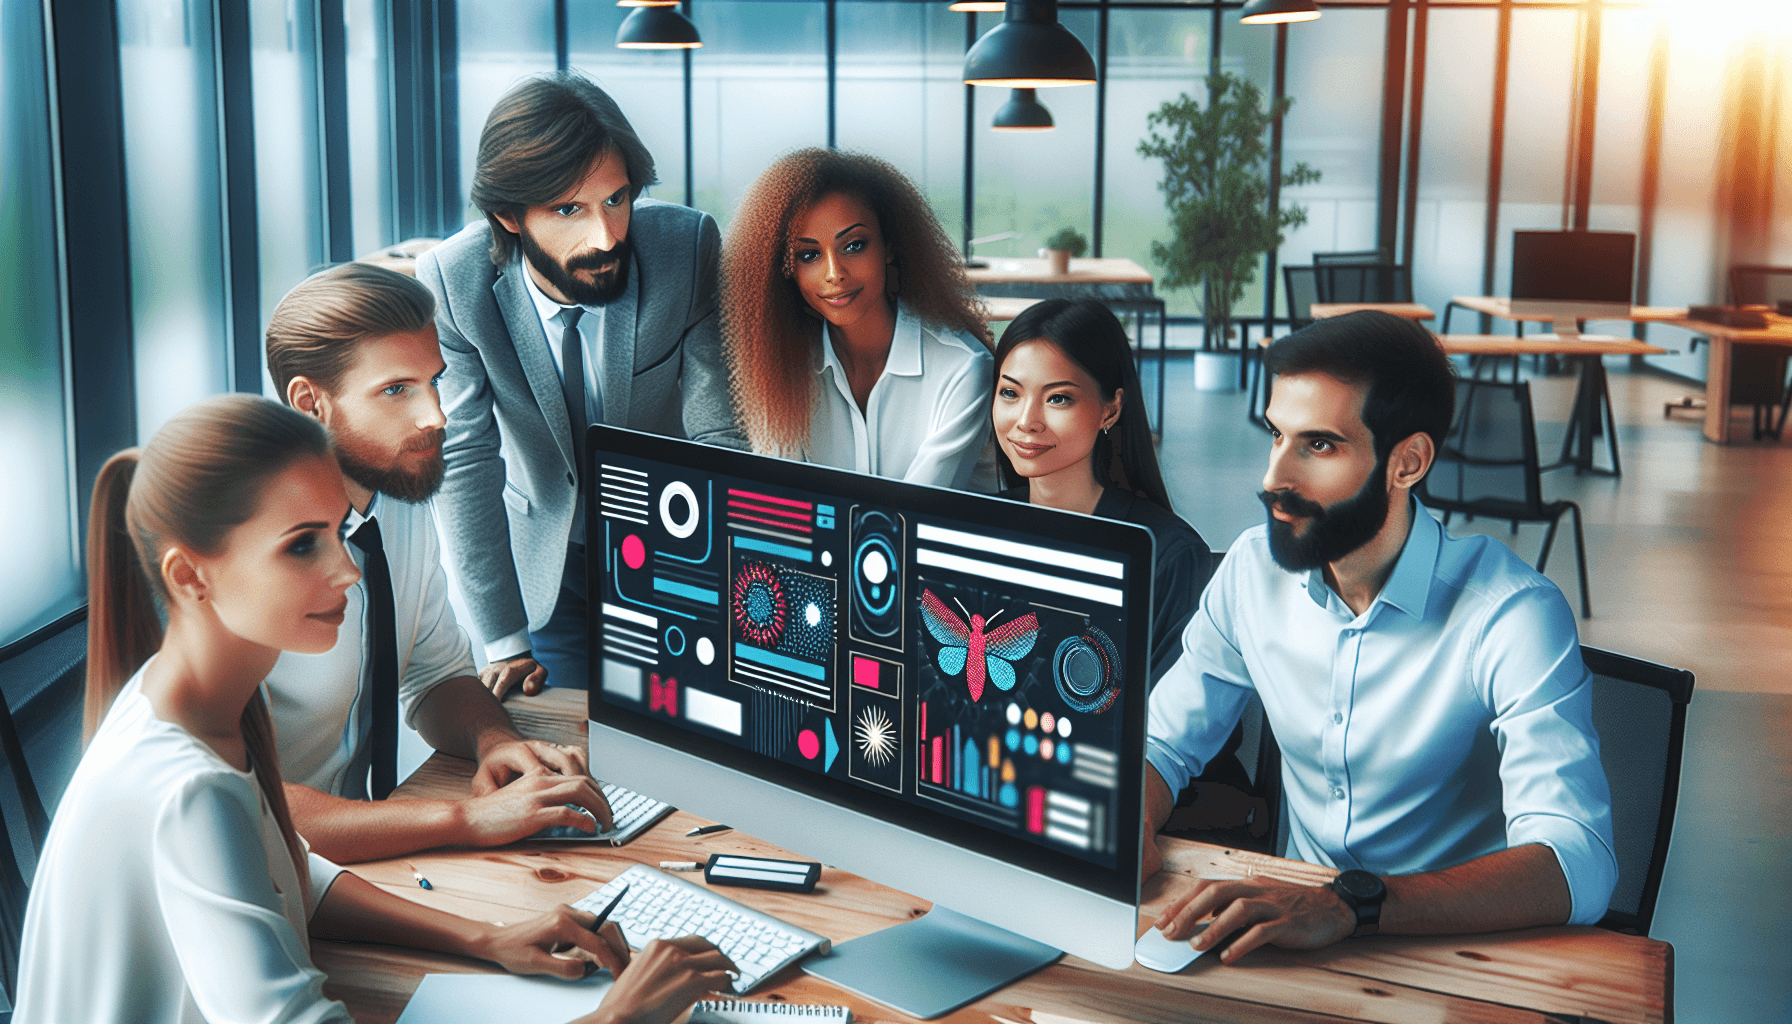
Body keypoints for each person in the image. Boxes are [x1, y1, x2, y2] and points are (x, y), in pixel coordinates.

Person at [14, 394, 733, 1024]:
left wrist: (484, 937)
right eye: (301, 546)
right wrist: (617, 1019)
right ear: (189, 576)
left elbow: (288, 870)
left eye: (335, 531)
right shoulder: (186, 789)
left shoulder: (186, 701)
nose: (348, 571)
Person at [1143, 311, 1616, 964]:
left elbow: (1579, 863)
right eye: (1276, 435)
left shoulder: (1511, 615)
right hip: (1286, 940)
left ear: (1408, 461)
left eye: (1319, 446)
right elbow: (1164, 742)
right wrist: (1132, 817)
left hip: (1452, 953)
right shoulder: (1250, 572)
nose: (1274, 478)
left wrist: (1352, 904)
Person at [262, 262, 612, 863]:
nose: (437, 417)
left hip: (350, 867)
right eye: (396, 391)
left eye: (434, 382)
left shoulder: (396, 500)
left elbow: (433, 676)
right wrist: (466, 818)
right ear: (310, 402)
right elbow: (239, 805)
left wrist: (495, 740)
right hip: (263, 871)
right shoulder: (244, 555)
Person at [416, 72, 743, 700]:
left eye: (616, 200)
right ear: (508, 216)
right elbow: (465, 462)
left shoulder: (686, 248)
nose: (605, 235)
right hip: (548, 567)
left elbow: (718, 434)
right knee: (573, 750)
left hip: (675, 555)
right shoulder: (454, 285)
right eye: (569, 210)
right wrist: (504, 639)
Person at [721, 147, 994, 489]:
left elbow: (911, 517)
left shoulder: (962, 368)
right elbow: (782, 504)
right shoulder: (781, 368)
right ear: (786, 271)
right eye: (809, 255)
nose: (834, 274)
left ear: (889, 246)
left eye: (853, 245)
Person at [989, 297, 1214, 685]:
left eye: (1058, 398)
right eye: (1010, 393)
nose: (1026, 422)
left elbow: (1174, 733)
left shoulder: (1168, 556)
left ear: (1110, 410)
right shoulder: (975, 523)